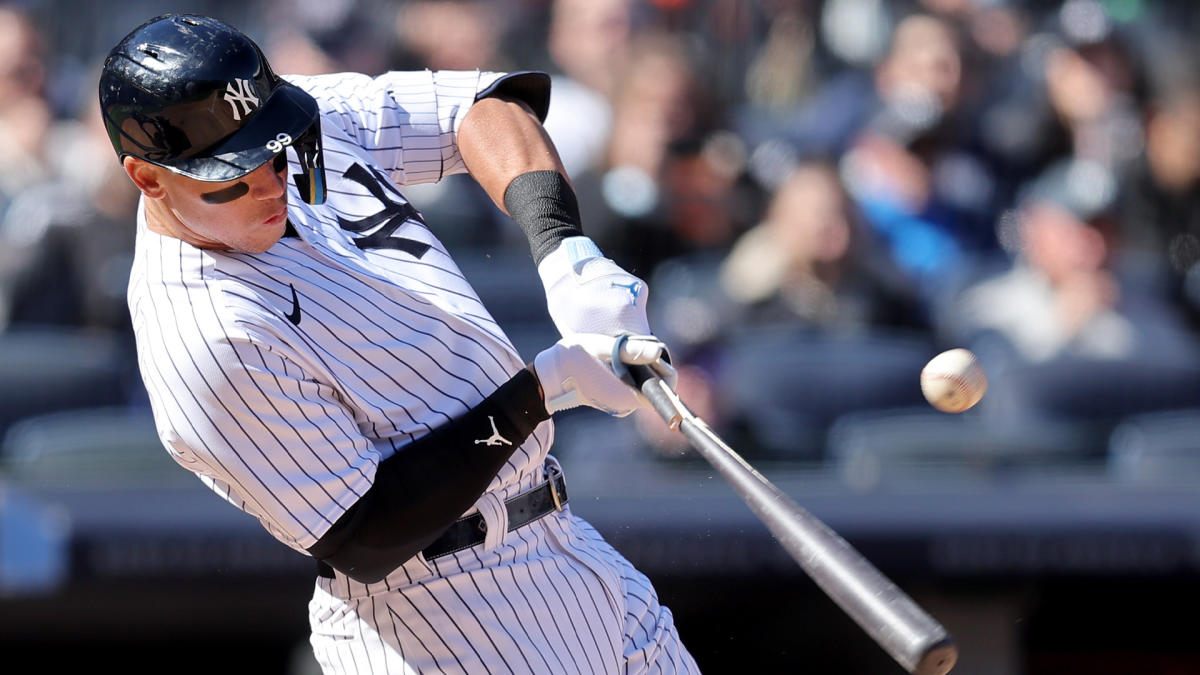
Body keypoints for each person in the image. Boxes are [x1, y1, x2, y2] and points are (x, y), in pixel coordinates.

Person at [99, 13, 696, 674]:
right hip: (444, 616)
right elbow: (364, 534)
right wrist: (540, 393)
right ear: (150, 178)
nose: (272, 181)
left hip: (564, 543)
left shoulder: (303, 119)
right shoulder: (202, 334)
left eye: (276, 146)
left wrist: (564, 249)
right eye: (234, 173)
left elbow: (485, 105)